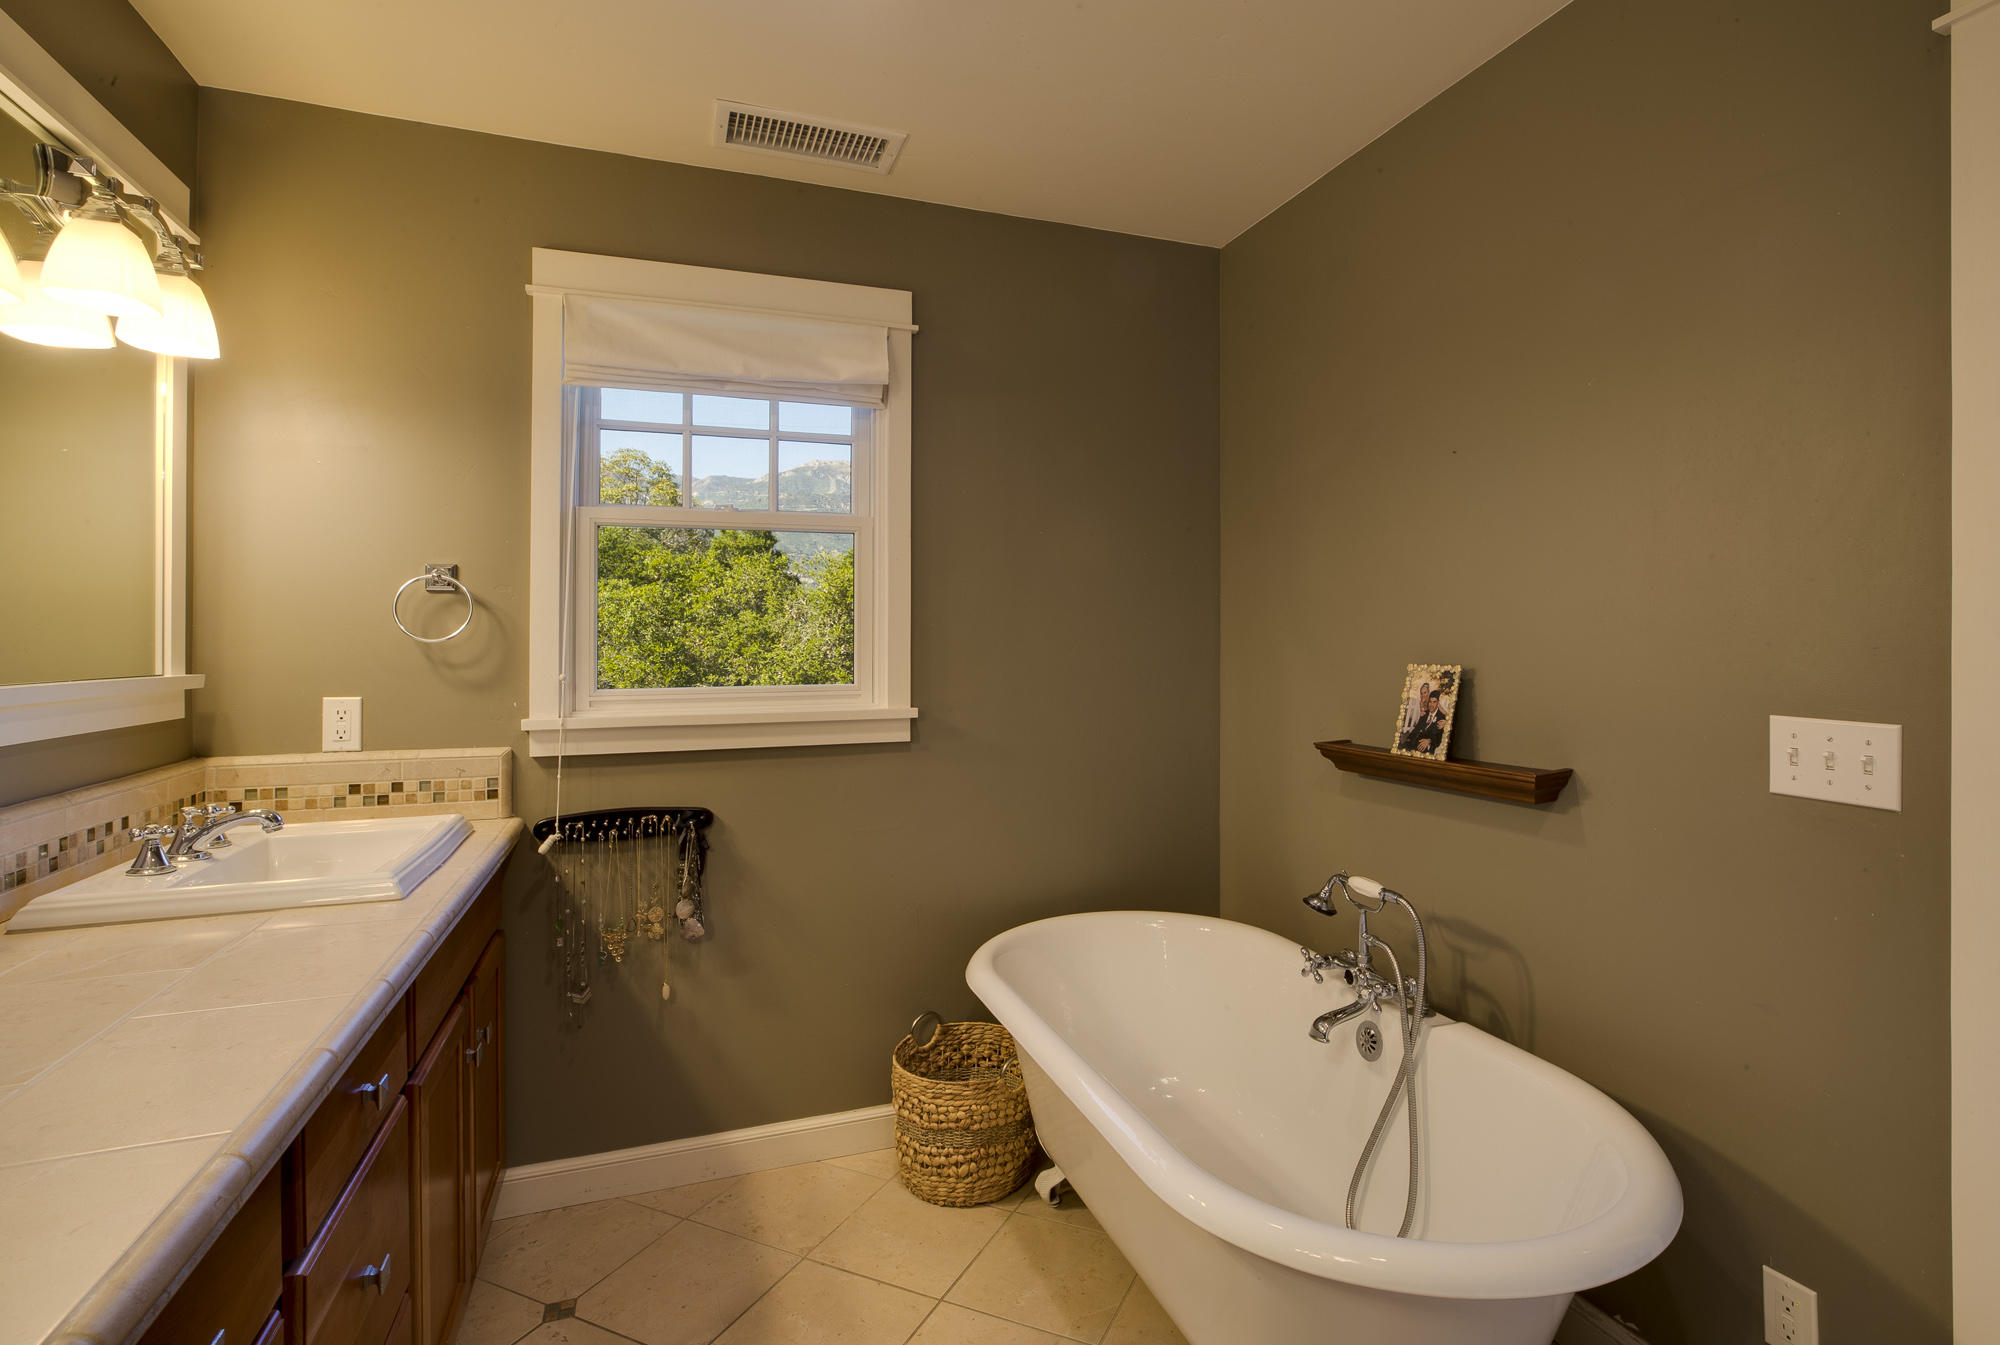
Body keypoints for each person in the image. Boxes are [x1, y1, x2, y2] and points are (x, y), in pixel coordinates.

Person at [1399, 690, 1449, 756]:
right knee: (1400, 747)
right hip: (1415, 742)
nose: (1431, 705)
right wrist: (1408, 739)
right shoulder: (1425, 713)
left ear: (1438, 703)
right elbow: (1416, 728)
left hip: (1427, 746)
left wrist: (1429, 741)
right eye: (1430, 702)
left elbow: (1438, 737)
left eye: (1434, 702)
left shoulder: (1442, 717)